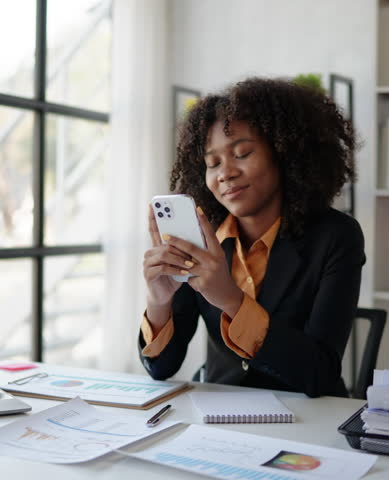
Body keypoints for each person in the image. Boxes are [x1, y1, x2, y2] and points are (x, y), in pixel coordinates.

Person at [138, 77, 364, 398]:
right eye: (212, 162)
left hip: (308, 420)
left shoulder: (336, 236)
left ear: (284, 153)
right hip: (222, 420)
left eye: (242, 153)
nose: (225, 173)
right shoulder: (204, 238)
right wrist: (158, 302)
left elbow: (320, 373)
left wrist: (230, 298)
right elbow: (161, 368)